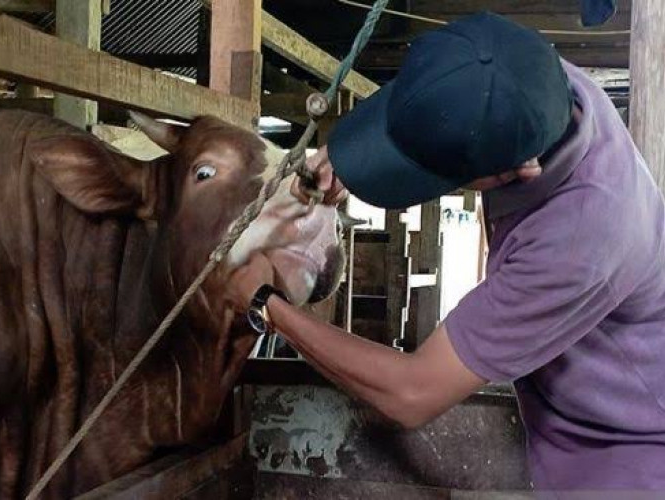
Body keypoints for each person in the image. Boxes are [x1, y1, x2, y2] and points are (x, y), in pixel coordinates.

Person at [226, 12, 665, 493]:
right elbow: (443, 95)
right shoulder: (526, 79)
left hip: (627, 447)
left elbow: (411, 393)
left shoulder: (582, 238)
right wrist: (358, 150)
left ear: (521, 168)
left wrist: (266, 305)